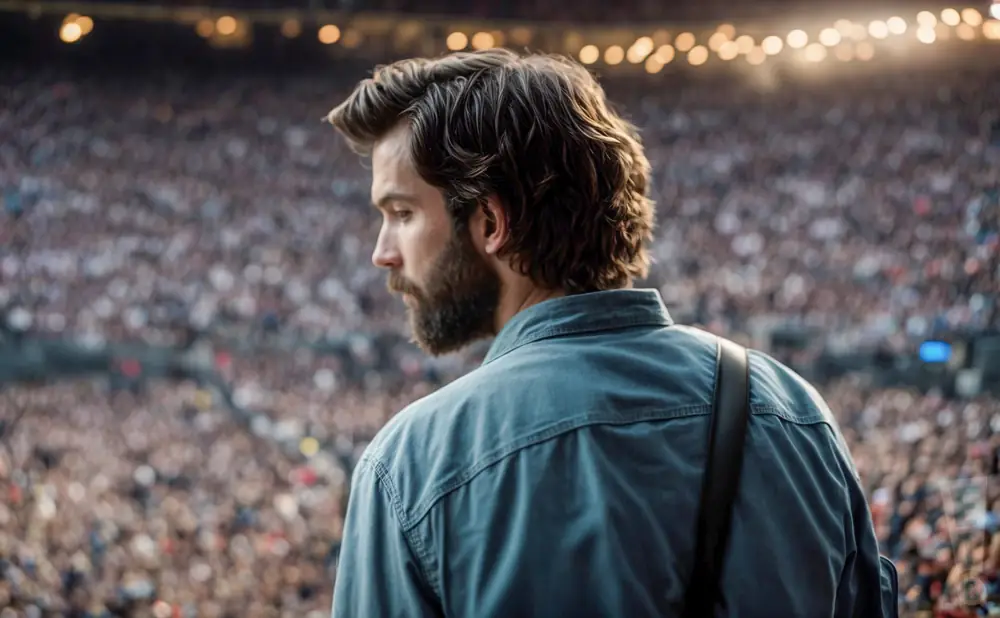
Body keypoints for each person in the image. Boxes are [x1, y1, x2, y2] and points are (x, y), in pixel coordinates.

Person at [325, 49, 898, 617]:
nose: (382, 254)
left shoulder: (412, 468)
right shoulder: (794, 413)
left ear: (491, 224)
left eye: (401, 213)